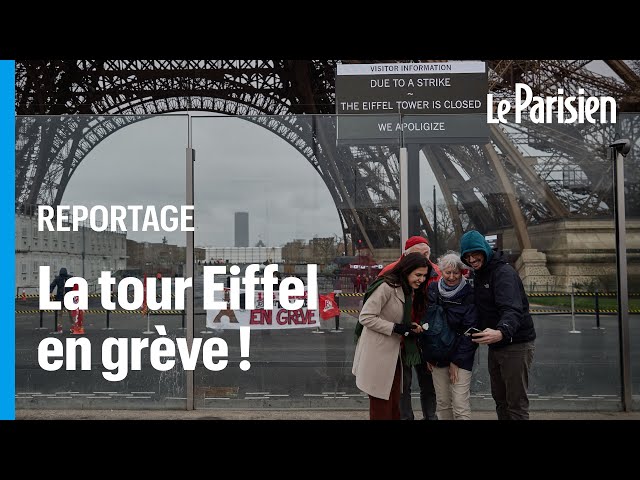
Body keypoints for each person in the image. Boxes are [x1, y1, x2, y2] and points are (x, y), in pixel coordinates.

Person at [459, 230, 536, 420]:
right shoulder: (481, 273)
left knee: (515, 403)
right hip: (496, 343)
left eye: (475, 253)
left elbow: (512, 308)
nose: (471, 259)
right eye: (467, 256)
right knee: (501, 400)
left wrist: (502, 332)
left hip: (515, 344)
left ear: (485, 250)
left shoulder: (503, 272)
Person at [352, 252, 431, 420]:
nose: (422, 279)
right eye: (418, 275)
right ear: (406, 270)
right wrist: (397, 328)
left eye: (424, 275)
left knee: (394, 406)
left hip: (393, 356)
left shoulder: (405, 288)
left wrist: (407, 327)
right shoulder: (386, 287)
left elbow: (394, 318)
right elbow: (366, 316)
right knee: (382, 407)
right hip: (379, 355)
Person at [379, 235, 441, 420]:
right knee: (404, 384)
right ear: (407, 256)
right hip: (402, 335)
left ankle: (428, 417)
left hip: (425, 335)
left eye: (426, 255)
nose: (424, 260)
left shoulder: (436, 272)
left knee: (427, 382)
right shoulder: (390, 273)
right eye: (419, 255)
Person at [426, 251, 479, 420]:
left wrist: (456, 360)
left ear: (462, 272)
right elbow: (428, 325)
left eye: (456, 272)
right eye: (447, 272)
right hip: (438, 354)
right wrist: (428, 354)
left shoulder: (469, 294)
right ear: (441, 271)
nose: (451, 276)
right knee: (442, 402)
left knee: (460, 404)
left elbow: (470, 330)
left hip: (461, 355)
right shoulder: (433, 289)